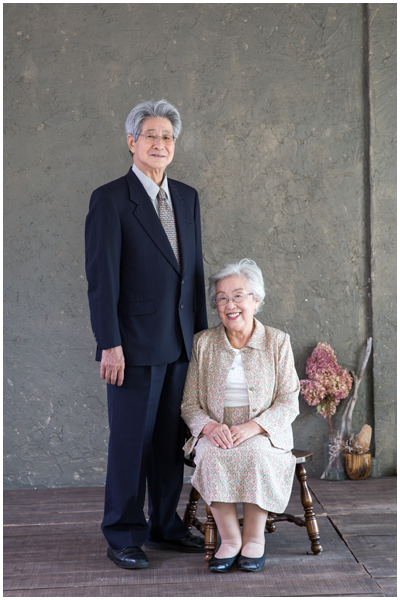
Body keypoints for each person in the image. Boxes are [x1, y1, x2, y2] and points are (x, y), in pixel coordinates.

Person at [85, 99, 208, 570]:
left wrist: (200, 340)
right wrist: (109, 343)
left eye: (168, 137)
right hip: (132, 345)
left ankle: (164, 527)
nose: (160, 144)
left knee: (169, 443)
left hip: (180, 342)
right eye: (151, 135)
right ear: (132, 142)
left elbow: (193, 275)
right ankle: (123, 533)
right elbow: (102, 280)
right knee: (131, 443)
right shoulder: (110, 199)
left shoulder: (187, 197)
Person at [181, 259, 300, 573]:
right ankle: (231, 540)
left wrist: (253, 427)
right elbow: (189, 404)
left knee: (257, 455)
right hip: (217, 430)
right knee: (211, 454)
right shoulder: (203, 343)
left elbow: (289, 402)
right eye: (221, 298)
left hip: (263, 432)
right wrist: (209, 427)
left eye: (238, 296)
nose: (229, 305)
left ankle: (254, 539)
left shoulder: (277, 341)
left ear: (256, 300)